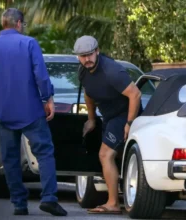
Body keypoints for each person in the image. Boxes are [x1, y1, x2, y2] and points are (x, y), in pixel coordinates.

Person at [0, 8, 67, 216]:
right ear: (19, 24)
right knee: (44, 153)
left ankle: (19, 203)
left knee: (9, 158)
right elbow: (41, 76)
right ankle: (49, 198)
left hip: (3, 112)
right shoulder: (28, 43)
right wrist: (48, 98)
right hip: (30, 111)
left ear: (4, 24)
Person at [73, 35, 142, 214]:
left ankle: (112, 203)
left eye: (89, 54)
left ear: (97, 51)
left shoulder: (112, 71)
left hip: (123, 114)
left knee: (105, 154)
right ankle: (129, 193)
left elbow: (135, 94)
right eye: (82, 56)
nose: (86, 59)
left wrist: (130, 123)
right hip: (108, 117)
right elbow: (89, 94)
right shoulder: (83, 71)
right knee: (116, 155)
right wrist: (91, 119)